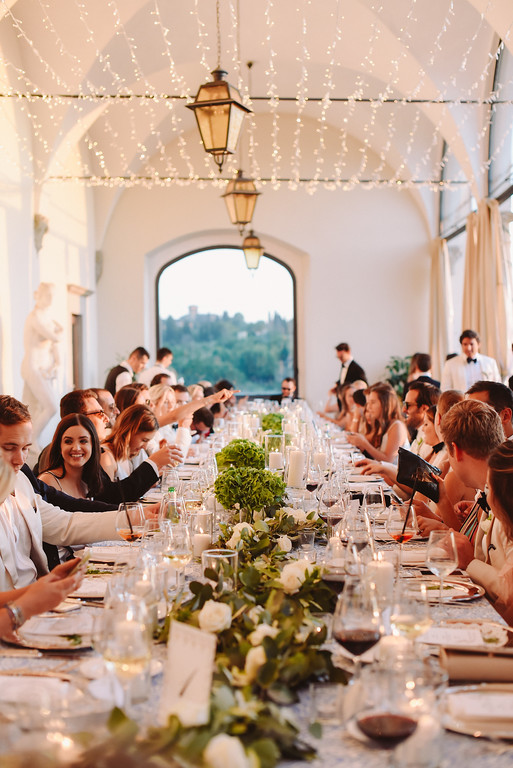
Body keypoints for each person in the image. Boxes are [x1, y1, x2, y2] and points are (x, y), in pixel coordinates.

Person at [0, 396, 140, 590]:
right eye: (9, 448)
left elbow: (65, 524)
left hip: (42, 595)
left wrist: (134, 519)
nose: (20, 460)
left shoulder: (21, 481)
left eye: (25, 449)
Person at [20, 282, 63, 451]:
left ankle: (29, 442)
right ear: (39, 295)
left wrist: (56, 363)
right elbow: (54, 336)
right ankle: (31, 440)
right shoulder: (35, 317)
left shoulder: (46, 317)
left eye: (53, 296)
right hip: (33, 367)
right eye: (48, 296)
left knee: (32, 408)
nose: (51, 300)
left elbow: (54, 344)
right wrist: (59, 331)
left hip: (42, 369)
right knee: (51, 406)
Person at [101, 404, 176, 482]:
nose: (145, 447)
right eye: (144, 440)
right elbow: (110, 493)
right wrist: (154, 462)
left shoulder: (130, 452)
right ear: (128, 432)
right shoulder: (106, 456)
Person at [38, 414, 103, 499]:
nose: (76, 448)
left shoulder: (89, 483)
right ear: (59, 446)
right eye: (68, 441)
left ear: (93, 445)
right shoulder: (48, 481)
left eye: (83, 441)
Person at [345, 383, 408, 463]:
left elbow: (388, 460)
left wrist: (364, 444)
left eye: (373, 402)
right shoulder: (380, 424)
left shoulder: (397, 426)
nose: (368, 407)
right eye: (368, 403)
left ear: (385, 403)